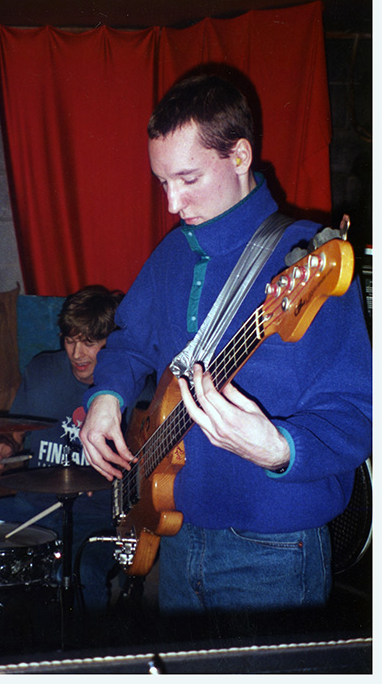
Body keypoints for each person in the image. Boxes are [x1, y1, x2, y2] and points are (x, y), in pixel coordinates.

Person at [80, 73, 372, 618]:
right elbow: (129, 342)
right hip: (178, 532)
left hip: (275, 548)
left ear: (240, 155)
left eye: (187, 179)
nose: (172, 203)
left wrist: (281, 449)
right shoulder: (173, 254)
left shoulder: (305, 260)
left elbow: (360, 416)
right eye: (162, 183)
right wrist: (106, 398)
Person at [0, 284, 124, 613]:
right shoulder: (41, 370)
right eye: (70, 340)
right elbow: (18, 432)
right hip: (32, 508)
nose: (77, 354)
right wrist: (4, 446)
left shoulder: (133, 387)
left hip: (95, 521)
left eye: (90, 343)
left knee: (82, 571)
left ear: (112, 341)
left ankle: (90, 659)